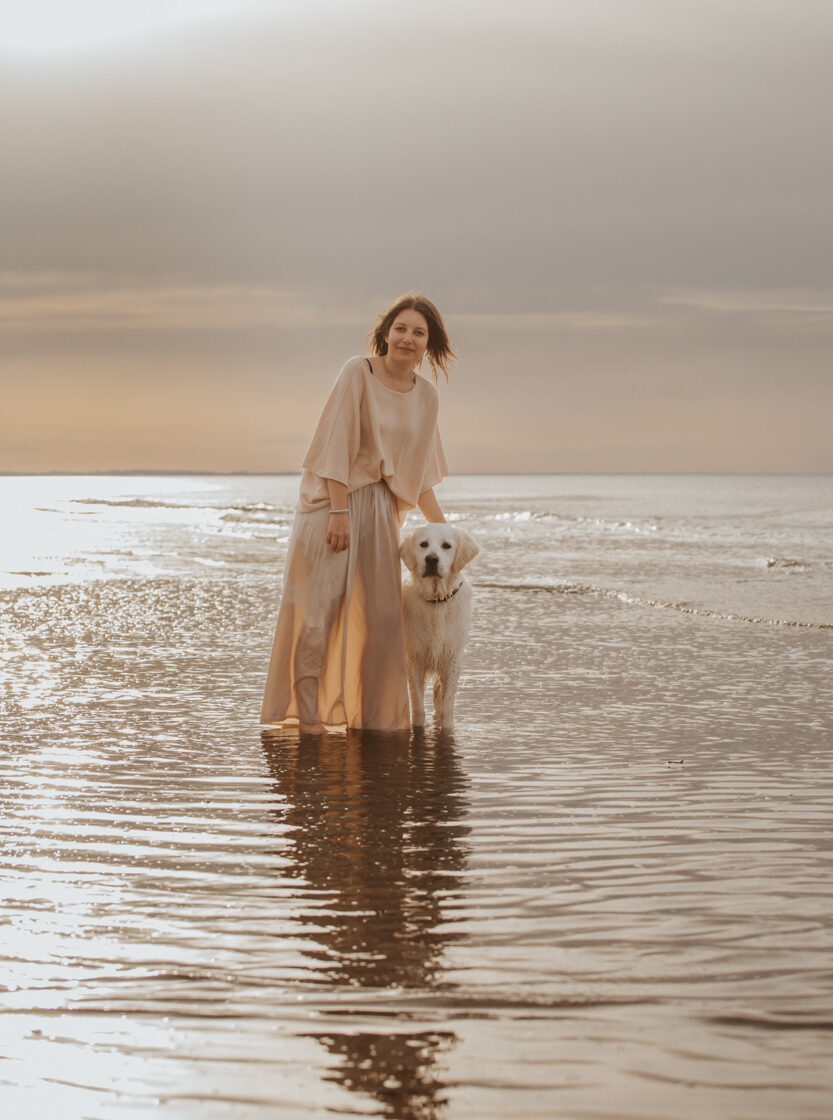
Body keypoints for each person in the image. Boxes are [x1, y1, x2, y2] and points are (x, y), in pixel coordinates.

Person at [260, 291, 454, 733]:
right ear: (385, 333)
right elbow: (335, 447)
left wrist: (446, 533)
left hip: (382, 514)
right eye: (400, 328)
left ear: (429, 344)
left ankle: (373, 720)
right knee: (319, 615)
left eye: (418, 333)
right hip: (333, 506)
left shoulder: (426, 397)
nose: (407, 338)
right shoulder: (358, 373)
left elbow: (420, 472)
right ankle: (307, 718)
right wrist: (339, 513)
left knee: (383, 622)